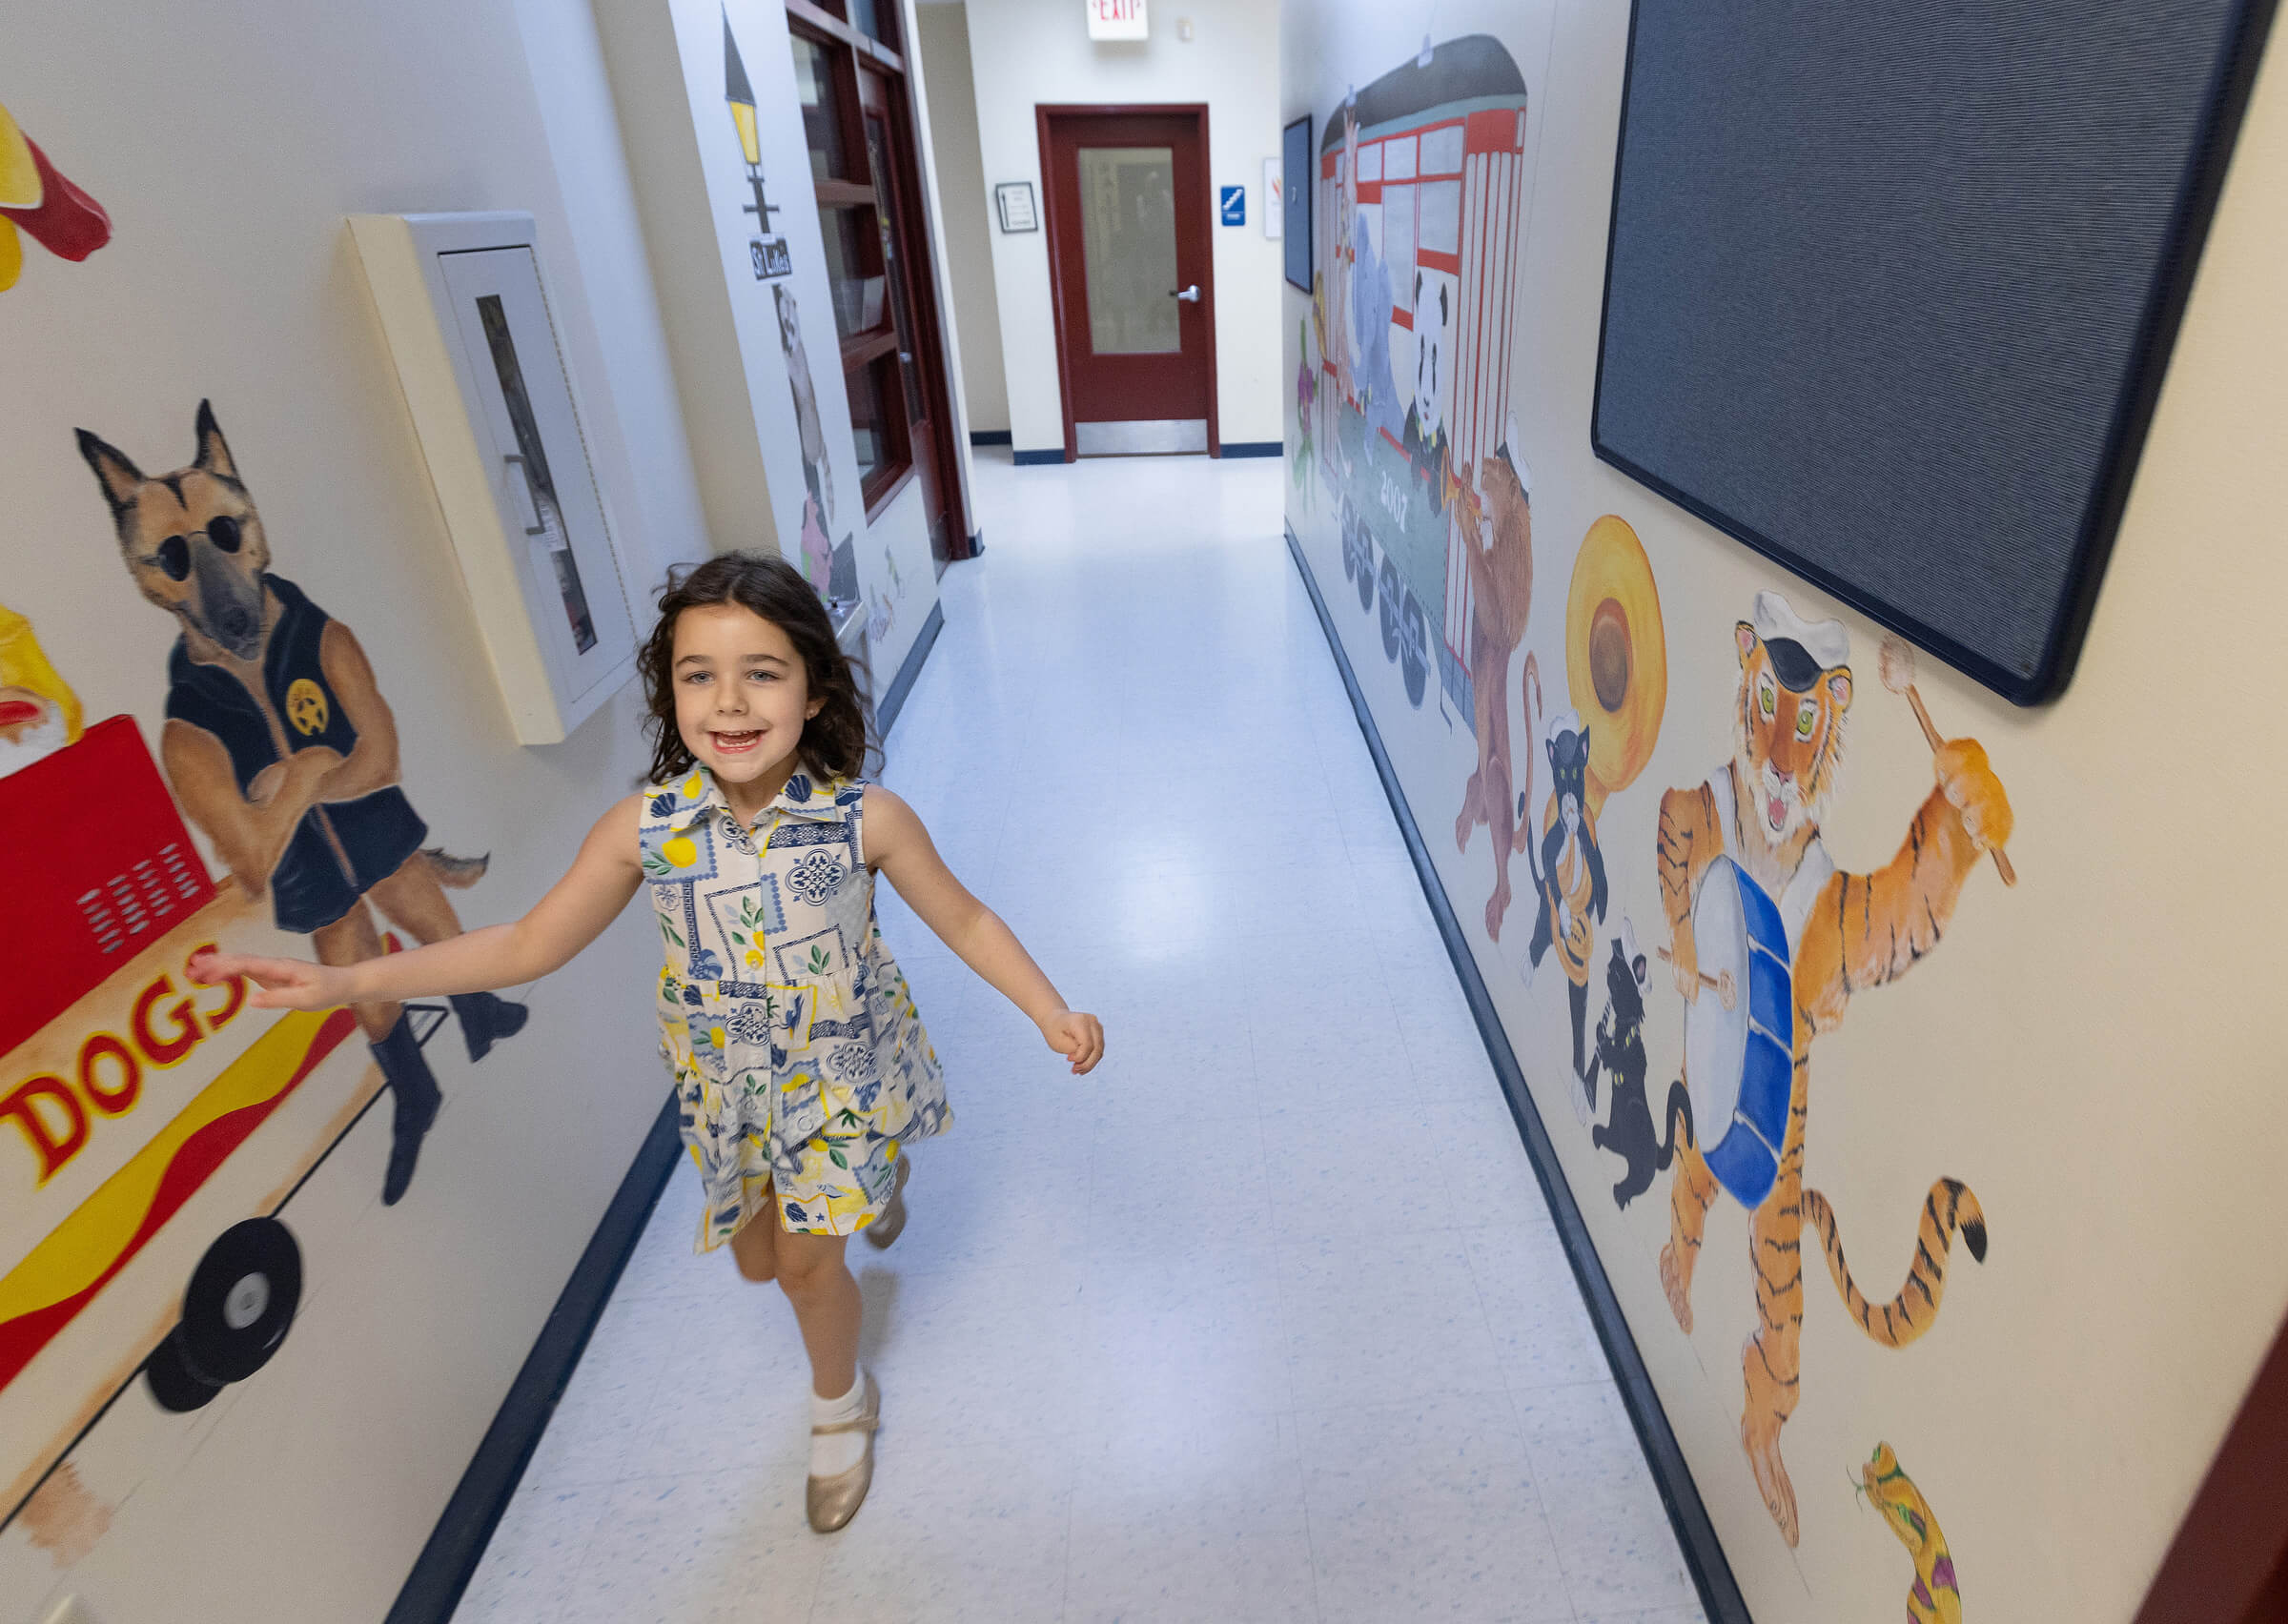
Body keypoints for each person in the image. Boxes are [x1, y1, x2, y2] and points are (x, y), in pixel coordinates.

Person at [190, 552, 1105, 1533]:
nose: (730, 701)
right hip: (729, 1095)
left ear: (814, 685)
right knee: (759, 1264)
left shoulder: (864, 819)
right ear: (670, 695)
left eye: (762, 671)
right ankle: (870, 1192)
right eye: (697, 674)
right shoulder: (644, 830)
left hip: (837, 1080)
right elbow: (525, 944)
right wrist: (344, 980)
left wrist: (1047, 1008)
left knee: (804, 1271)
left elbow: (966, 921)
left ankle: (841, 1406)